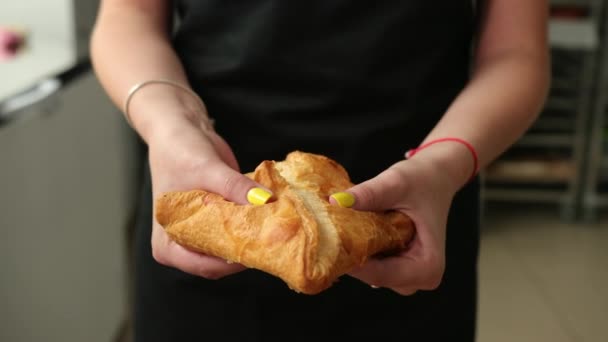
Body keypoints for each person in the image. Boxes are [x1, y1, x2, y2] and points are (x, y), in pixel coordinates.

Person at [90, 1, 550, 341]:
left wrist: (445, 163)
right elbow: (128, 20)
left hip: (415, 208)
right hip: (213, 193)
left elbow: (516, 52)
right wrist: (171, 124)